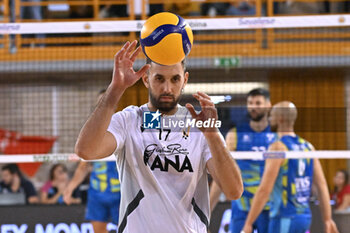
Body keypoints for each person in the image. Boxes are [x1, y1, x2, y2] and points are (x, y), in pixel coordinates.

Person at [74, 40, 243, 233]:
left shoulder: (200, 125)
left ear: (185, 80)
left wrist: (212, 135)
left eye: (175, 79)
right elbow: (85, 151)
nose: (167, 89)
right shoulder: (129, 120)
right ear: (146, 79)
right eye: (159, 79)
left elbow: (234, 191)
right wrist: (116, 89)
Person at [242, 101, 339, 233]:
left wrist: (249, 222)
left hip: (284, 218)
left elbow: (265, 189)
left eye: (272, 115)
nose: (270, 119)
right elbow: (322, 186)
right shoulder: (308, 147)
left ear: (280, 119)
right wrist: (327, 219)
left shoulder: (277, 147)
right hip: (304, 217)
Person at [210, 88, 276, 233]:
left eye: (258, 103)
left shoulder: (277, 136)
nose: (253, 107)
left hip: (270, 208)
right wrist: (207, 209)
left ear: (268, 105)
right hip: (241, 208)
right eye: (250, 103)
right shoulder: (235, 135)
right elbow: (222, 174)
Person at [63, 89, 121, 233]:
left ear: (114, 105)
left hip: (121, 193)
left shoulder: (122, 126)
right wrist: (70, 188)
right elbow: (83, 166)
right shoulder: (92, 131)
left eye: (107, 101)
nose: (104, 105)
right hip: (97, 193)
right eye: (101, 102)